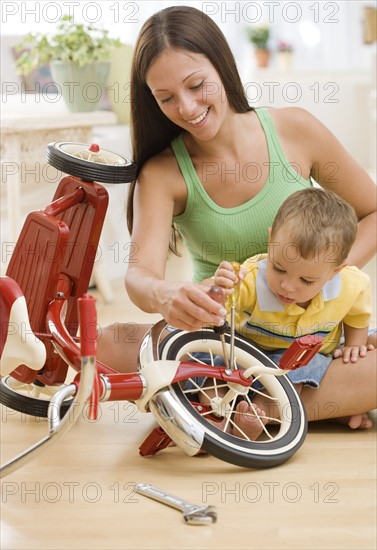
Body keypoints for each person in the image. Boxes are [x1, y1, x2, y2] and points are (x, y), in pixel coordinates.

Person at [97, 5, 377, 428]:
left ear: (222, 65)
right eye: (166, 98)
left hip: (311, 338)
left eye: (196, 85)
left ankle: (254, 408)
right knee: (107, 341)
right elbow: (139, 275)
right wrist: (165, 295)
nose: (188, 108)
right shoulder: (163, 172)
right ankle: (307, 403)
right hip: (222, 340)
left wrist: (319, 279)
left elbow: (373, 210)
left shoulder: (296, 130)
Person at [212, 188, 375, 436]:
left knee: (301, 368)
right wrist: (220, 288)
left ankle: (259, 415)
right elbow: (220, 305)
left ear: (335, 272)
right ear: (270, 241)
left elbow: (358, 316)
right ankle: (213, 416)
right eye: (278, 268)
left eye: (306, 281)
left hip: (306, 356)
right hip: (250, 354)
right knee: (212, 363)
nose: (287, 286)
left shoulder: (352, 284)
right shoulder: (252, 278)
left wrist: (356, 344)